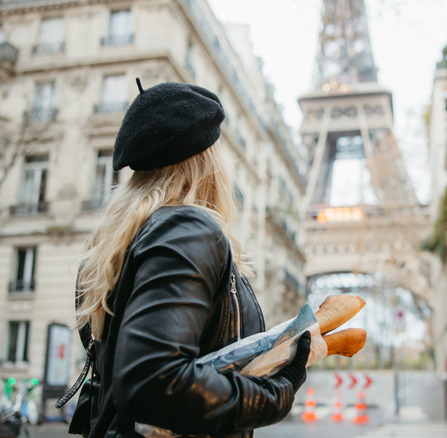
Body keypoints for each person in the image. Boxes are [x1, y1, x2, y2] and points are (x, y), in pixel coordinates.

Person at [65, 79, 311, 438]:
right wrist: (275, 395)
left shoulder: (110, 250)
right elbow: (154, 382)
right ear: (207, 160)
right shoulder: (187, 228)